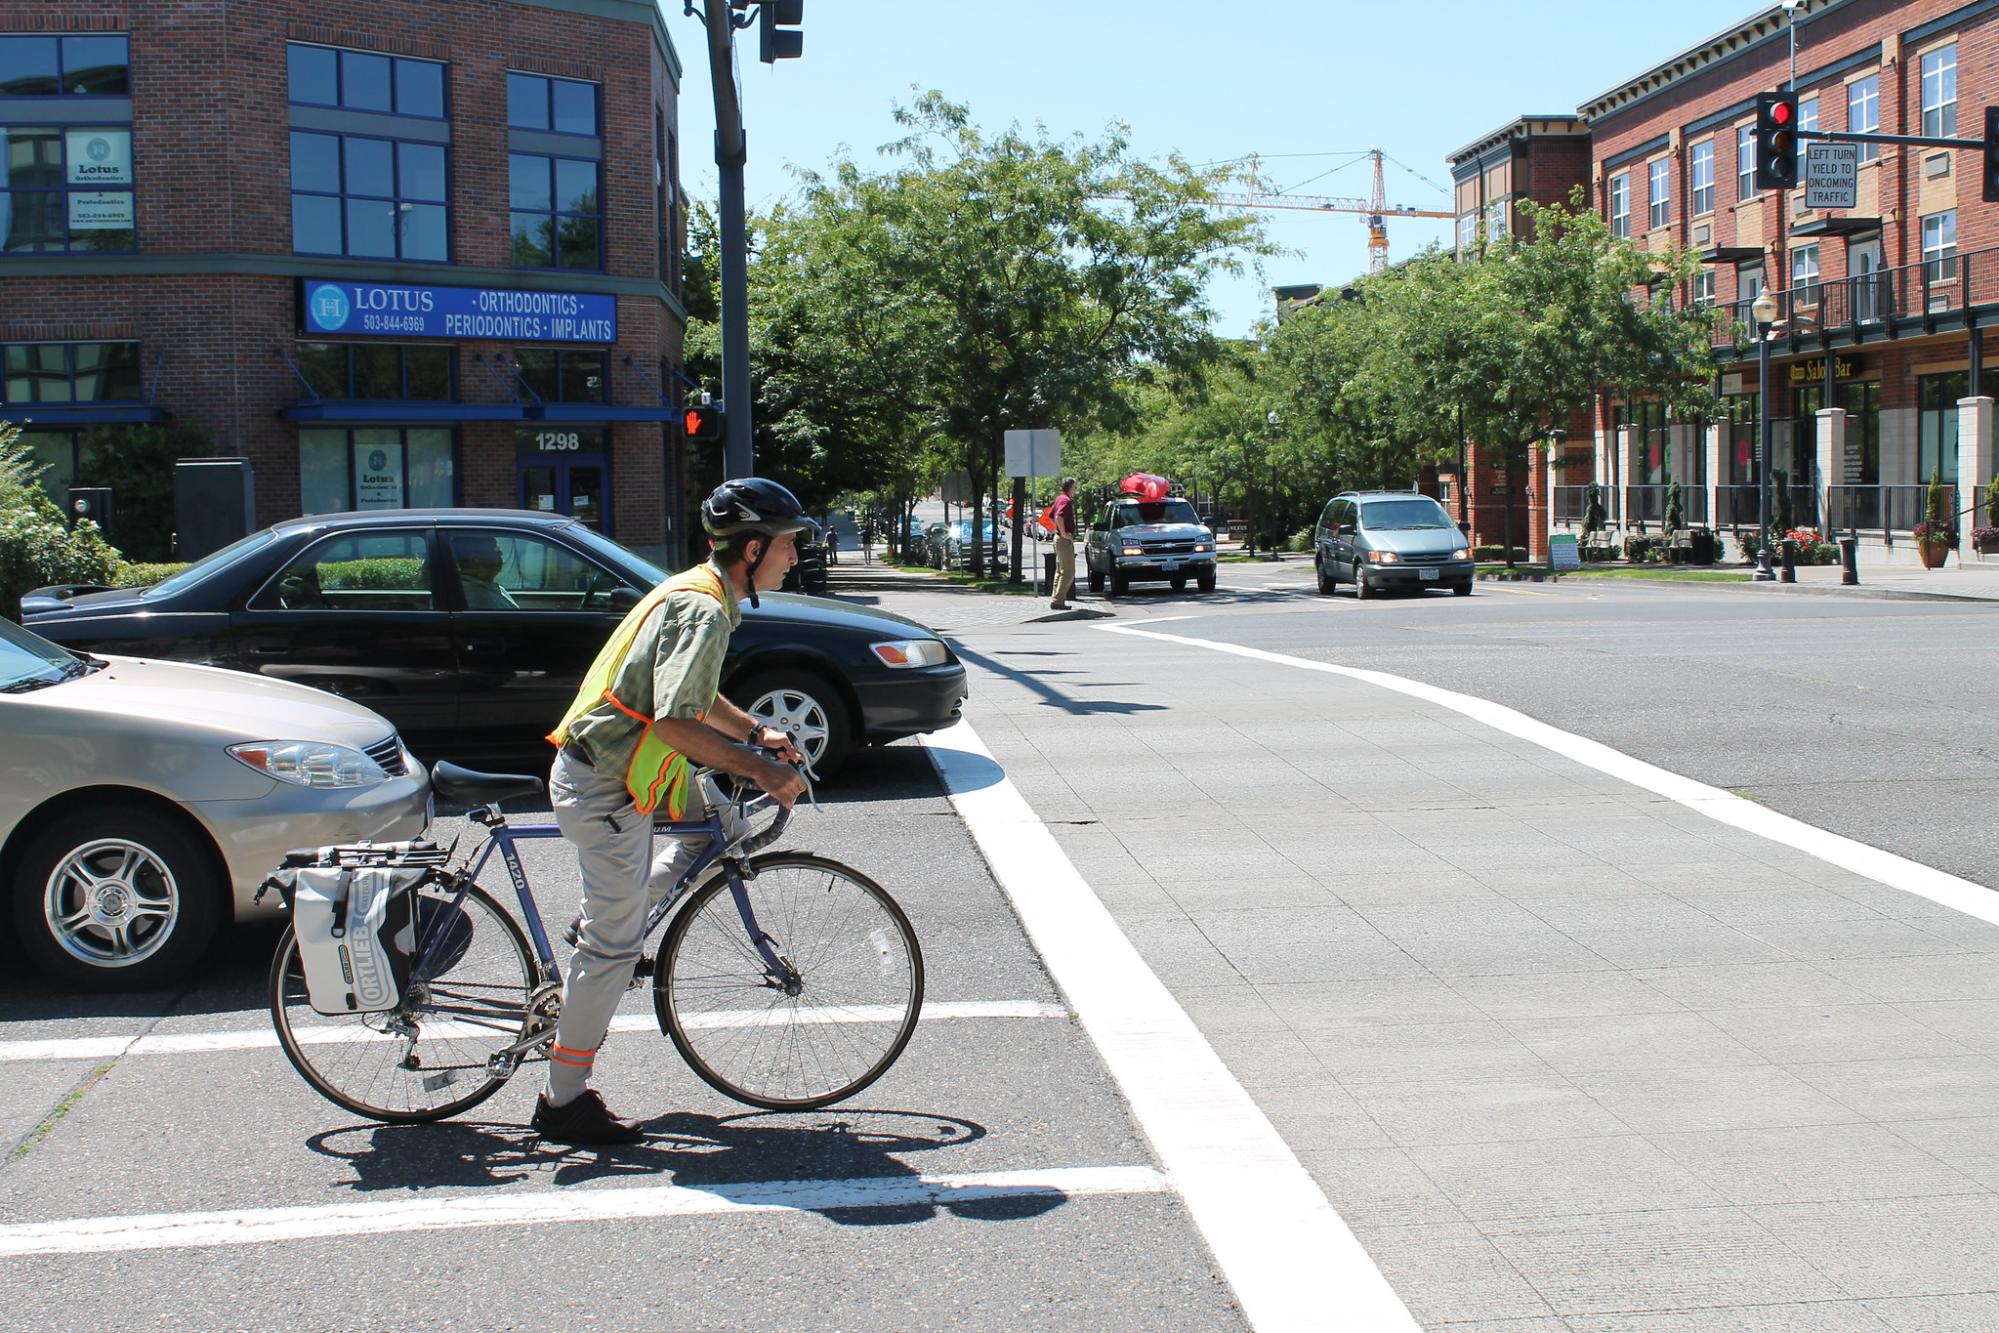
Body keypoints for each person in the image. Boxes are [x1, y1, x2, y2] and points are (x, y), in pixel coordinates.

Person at [535, 478, 811, 1145]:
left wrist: (752, 732)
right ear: (751, 548)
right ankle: (560, 1100)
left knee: (704, 838)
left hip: (628, 771)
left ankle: (608, 918)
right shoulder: (704, 609)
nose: (794, 558)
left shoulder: (699, 590)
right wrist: (763, 770)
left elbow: (691, 692)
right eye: (786, 545)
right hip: (607, 784)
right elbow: (671, 722)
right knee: (610, 947)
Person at [451, 534, 519, 610]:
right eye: (493, 550)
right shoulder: (473, 597)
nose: (500, 553)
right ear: (475, 558)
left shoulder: (491, 587)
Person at [1048, 476, 1078, 610]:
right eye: (1075, 487)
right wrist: (1064, 533)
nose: (1075, 490)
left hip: (1058, 538)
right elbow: (1058, 516)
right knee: (1068, 572)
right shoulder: (1066, 500)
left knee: (1060, 571)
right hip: (1063, 540)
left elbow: (1050, 515)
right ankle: (1058, 601)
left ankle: (1056, 599)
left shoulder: (1059, 498)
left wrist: (1059, 530)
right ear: (1071, 488)